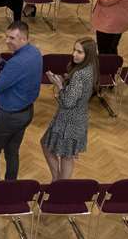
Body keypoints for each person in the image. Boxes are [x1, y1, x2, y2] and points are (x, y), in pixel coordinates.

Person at [0, 21, 43, 184]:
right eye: (6, 36)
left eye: (12, 38)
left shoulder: (18, 62)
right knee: (12, 151)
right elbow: (15, 74)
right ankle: (10, 187)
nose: (7, 41)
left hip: (9, 117)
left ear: (23, 38)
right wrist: (0, 61)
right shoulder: (35, 53)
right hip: (26, 112)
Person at [40, 40, 97, 180]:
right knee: (67, 155)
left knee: (48, 147)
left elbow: (68, 102)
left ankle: (57, 181)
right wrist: (66, 82)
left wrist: (59, 85)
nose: (74, 54)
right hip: (80, 118)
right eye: (74, 50)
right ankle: (60, 183)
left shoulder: (79, 75)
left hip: (68, 120)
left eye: (79, 52)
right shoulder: (91, 68)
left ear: (88, 54)